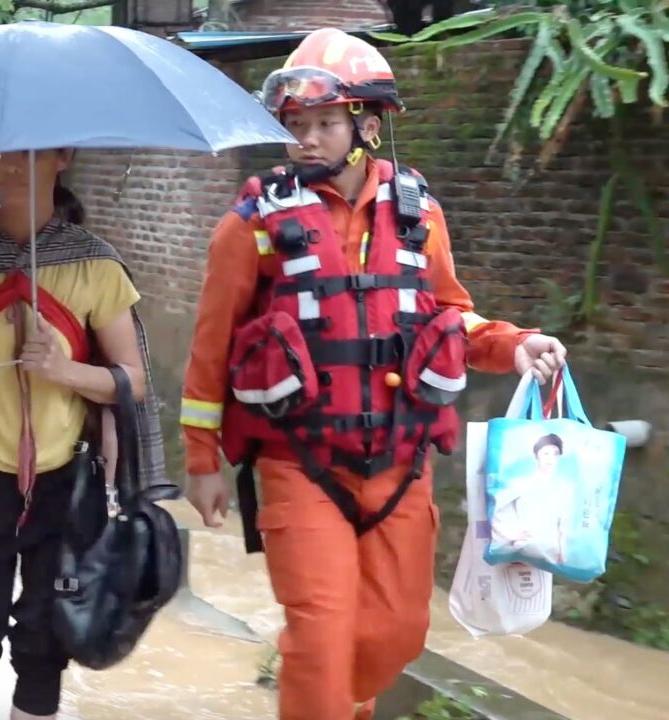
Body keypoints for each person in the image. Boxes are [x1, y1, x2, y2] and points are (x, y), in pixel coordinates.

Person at [177, 28, 567, 720]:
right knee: (320, 640)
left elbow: (452, 316)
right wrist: (202, 460)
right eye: (296, 124)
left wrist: (517, 346)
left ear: (367, 124)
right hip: (299, 463)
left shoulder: (419, 212)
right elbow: (213, 348)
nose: (307, 138)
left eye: (325, 123)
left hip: (401, 461)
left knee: (395, 635)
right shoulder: (253, 223)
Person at [0, 148, 165, 720]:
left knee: (46, 640)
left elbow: (133, 381)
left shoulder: (96, 265)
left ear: (62, 157)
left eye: (31, 152)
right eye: (1, 152)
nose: (12, 164)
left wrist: (62, 370)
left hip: (66, 476)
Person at [490, 433, 569, 564]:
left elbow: (563, 525)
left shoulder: (562, 488)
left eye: (555, 453)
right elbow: (494, 509)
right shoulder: (522, 484)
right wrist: (509, 535)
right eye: (546, 453)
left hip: (551, 554)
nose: (550, 458)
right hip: (523, 549)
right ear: (536, 456)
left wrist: (562, 551)